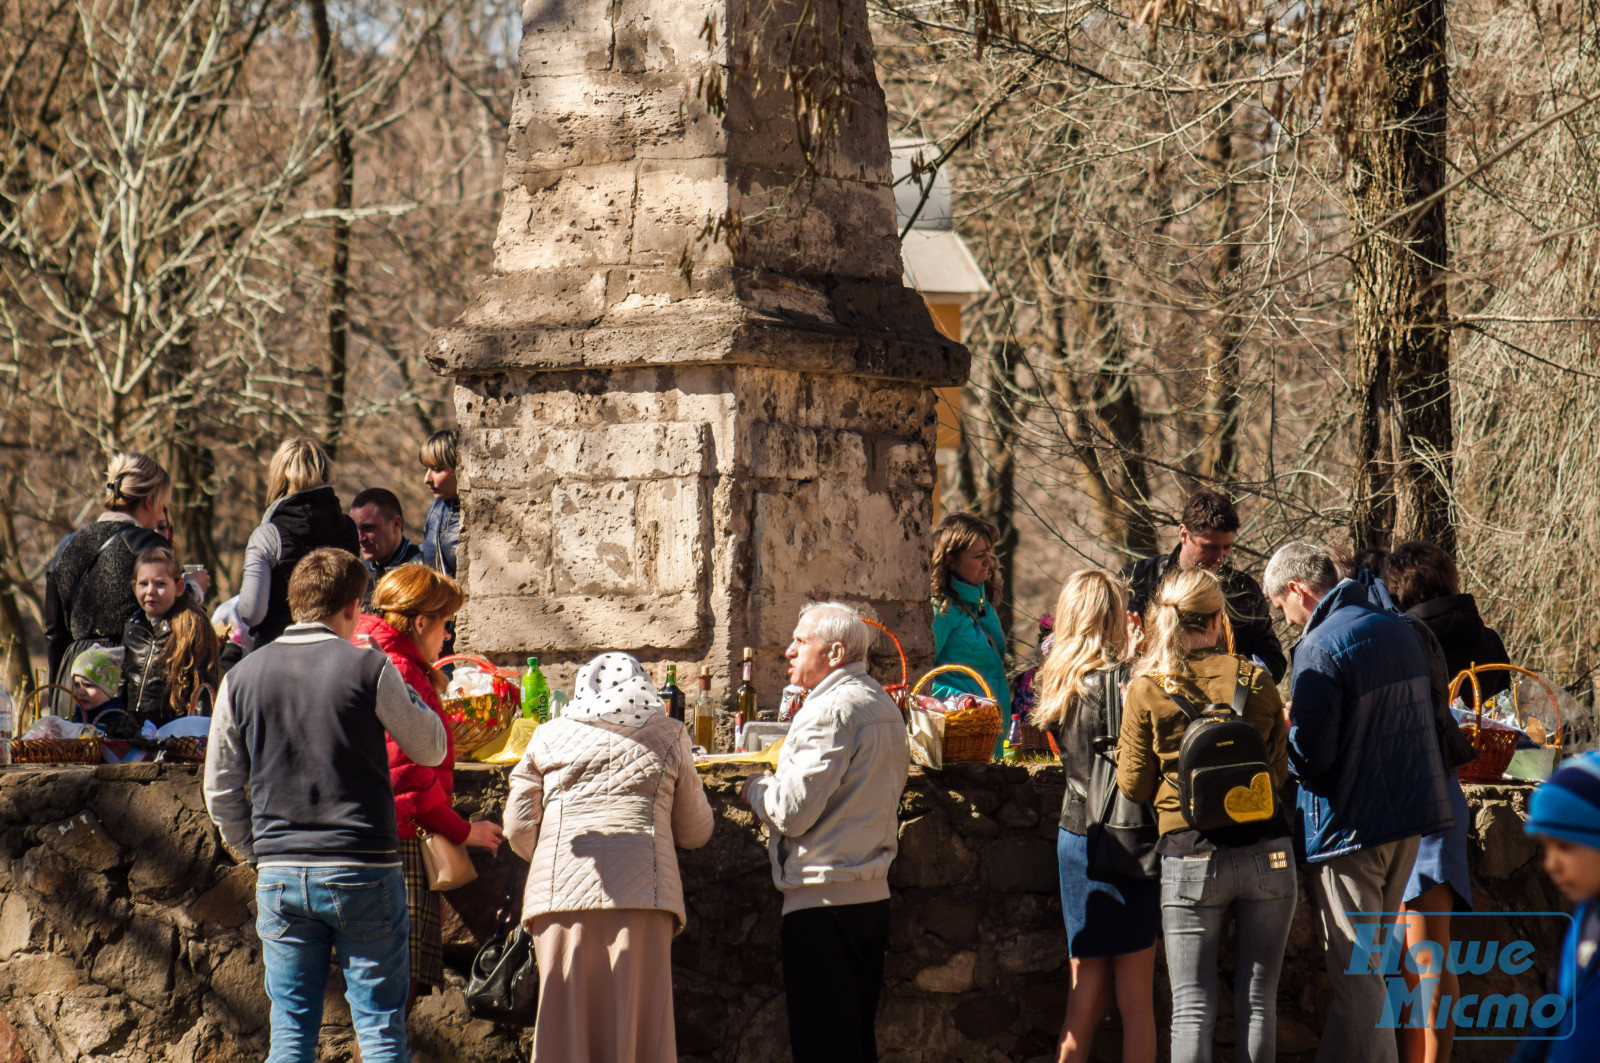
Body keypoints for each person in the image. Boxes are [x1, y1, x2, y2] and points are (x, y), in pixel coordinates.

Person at [204, 547, 447, 1063]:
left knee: (290, 1036)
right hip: (364, 868)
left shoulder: (241, 677)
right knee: (381, 1033)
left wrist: (254, 849)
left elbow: (220, 787)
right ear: (353, 606)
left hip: (281, 870)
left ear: (294, 603)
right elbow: (430, 747)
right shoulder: (371, 668)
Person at [1263, 541, 1455, 1063]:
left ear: (1299, 590)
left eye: (1282, 607)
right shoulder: (1399, 628)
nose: (1286, 621)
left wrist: (1285, 734)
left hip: (1352, 827)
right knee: (1371, 963)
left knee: (1358, 971)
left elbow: (1315, 755)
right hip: (1410, 821)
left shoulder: (1320, 645)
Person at [1116, 568, 1294, 1063]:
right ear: (1219, 619)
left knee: (1192, 1007)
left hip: (1189, 856)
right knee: (1260, 1003)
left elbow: (1132, 784)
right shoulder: (1257, 680)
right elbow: (1276, 775)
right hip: (1268, 853)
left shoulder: (1147, 688)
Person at [504, 652, 713, 1063]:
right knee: (638, 1028)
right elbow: (696, 831)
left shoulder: (548, 735)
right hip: (644, 900)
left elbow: (516, 826)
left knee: (564, 1027)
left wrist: (552, 860)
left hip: (559, 900)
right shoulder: (670, 734)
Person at [740, 602, 910, 1063]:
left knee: (825, 1048)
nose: (789, 652)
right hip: (867, 898)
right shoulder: (880, 703)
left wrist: (755, 790)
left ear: (835, 653)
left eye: (801, 641)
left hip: (824, 903)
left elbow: (792, 811)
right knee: (854, 1045)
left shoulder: (831, 710)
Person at [356, 565, 503, 1006]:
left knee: (379, 999)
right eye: (445, 625)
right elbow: (408, 781)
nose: (447, 638)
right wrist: (461, 830)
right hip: (396, 848)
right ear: (421, 623)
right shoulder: (397, 668)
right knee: (388, 1001)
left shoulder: (371, 651)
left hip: (372, 838)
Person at [1030, 570, 1156, 1063]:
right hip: (1127, 839)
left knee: (1085, 992)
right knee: (1136, 1002)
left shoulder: (1058, 679)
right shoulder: (1130, 682)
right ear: (1113, 617)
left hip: (1077, 835)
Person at [1383, 540, 1499, 1063]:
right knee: (1429, 957)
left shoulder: (1405, 639)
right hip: (1453, 786)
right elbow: (1501, 709)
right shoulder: (1483, 635)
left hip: (1420, 795)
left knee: (1423, 959)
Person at [1120, 490, 1286, 682]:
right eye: (1210, 547)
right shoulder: (1138, 580)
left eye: (1227, 548)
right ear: (1184, 534)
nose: (1219, 558)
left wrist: (1243, 675)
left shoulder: (1244, 590)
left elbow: (1273, 660)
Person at [44, 453, 172, 700]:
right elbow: (166, 620)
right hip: (124, 680)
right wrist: (192, 590)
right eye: (162, 504)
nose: (160, 514)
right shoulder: (149, 545)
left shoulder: (67, 545)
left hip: (71, 679)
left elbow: (54, 632)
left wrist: (56, 693)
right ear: (149, 500)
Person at [1510, 752, 1600, 1063]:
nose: (1550, 864)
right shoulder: (1586, 918)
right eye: (1545, 846)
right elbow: (1556, 1011)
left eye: (1565, 846)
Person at [237, 436, 361, 648]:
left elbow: (252, 612)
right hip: (336, 651)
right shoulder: (348, 529)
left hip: (277, 650)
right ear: (324, 473)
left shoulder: (267, 535)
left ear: (278, 477)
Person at [930, 511, 1010, 757]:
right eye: (978, 556)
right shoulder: (941, 610)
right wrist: (964, 702)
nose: (989, 561)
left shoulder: (982, 603)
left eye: (989, 552)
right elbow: (921, 677)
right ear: (951, 560)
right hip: (962, 737)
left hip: (991, 738)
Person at [120, 546, 222, 732]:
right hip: (135, 730)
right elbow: (123, 681)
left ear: (179, 587)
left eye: (160, 584)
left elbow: (204, 688)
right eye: (144, 584)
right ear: (134, 587)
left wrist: (197, 735)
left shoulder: (193, 625)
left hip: (173, 732)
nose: (150, 591)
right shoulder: (133, 626)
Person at [351, 488, 424, 607]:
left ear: (396, 524)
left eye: (368, 528)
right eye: (355, 529)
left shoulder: (423, 570)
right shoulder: (359, 575)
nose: (360, 538)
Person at [418, 429, 460, 579]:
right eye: (426, 469)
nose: (427, 479)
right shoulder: (436, 508)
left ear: (459, 468)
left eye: (437, 469)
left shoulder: (479, 514)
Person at [69, 646, 124, 728]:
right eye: (76, 685)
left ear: (108, 689)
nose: (80, 692)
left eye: (88, 685)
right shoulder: (74, 719)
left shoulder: (117, 724)